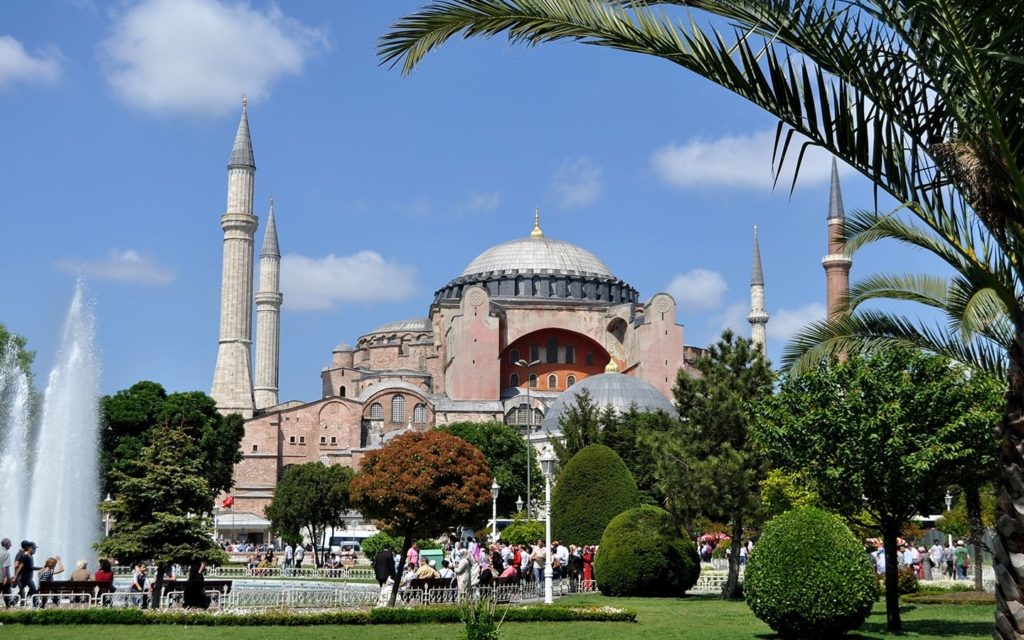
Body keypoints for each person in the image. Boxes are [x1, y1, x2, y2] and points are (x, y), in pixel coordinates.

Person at [0, 539, 12, 607]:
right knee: (7, 596)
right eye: (10, 544)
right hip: (3, 579)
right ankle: (8, 609)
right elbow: (5, 567)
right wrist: (6, 577)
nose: (11, 545)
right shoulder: (6, 553)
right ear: (7, 544)